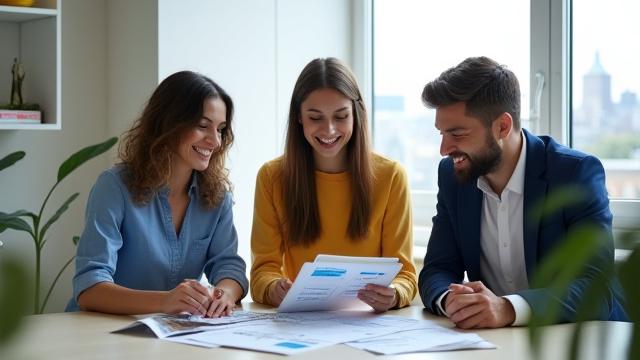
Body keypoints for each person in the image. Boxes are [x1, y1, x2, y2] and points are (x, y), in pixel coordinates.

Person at [418, 56, 628, 329]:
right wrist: (452, 301)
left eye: (457, 134)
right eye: (441, 133)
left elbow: (596, 288)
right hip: (499, 344)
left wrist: (507, 308)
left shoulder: (575, 173)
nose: (444, 149)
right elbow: (438, 268)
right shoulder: (453, 176)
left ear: (502, 127)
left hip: (585, 339)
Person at [66, 71, 248, 317]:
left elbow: (228, 265)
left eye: (221, 129)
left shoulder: (217, 197)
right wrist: (165, 302)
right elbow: (90, 288)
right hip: (101, 333)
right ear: (169, 123)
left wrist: (224, 293)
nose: (215, 141)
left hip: (171, 335)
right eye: (203, 126)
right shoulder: (114, 187)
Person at [250, 57, 417, 312]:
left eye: (341, 116)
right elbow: (263, 271)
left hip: (368, 323)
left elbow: (405, 274)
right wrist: (274, 288)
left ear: (356, 115)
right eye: (315, 117)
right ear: (299, 118)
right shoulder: (272, 177)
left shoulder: (391, 177)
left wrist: (394, 294)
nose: (329, 129)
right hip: (300, 322)